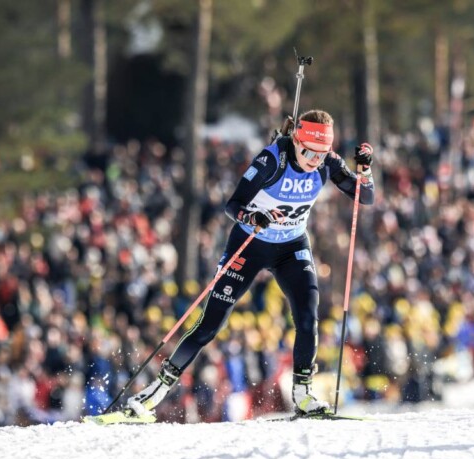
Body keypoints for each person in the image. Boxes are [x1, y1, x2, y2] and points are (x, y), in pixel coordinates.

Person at [124, 109, 375, 420]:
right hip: (250, 244)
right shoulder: (272, 160)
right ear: (297, 141)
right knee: (210, 323)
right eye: (309, 152)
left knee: (308, 314)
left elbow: (365, 197)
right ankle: (154, 393)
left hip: (291, 246)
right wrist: (253, 217)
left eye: (321, 154)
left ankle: (303, 394)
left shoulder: (328, 163)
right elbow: (233, 205)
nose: (314, 160)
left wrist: (365, 170)